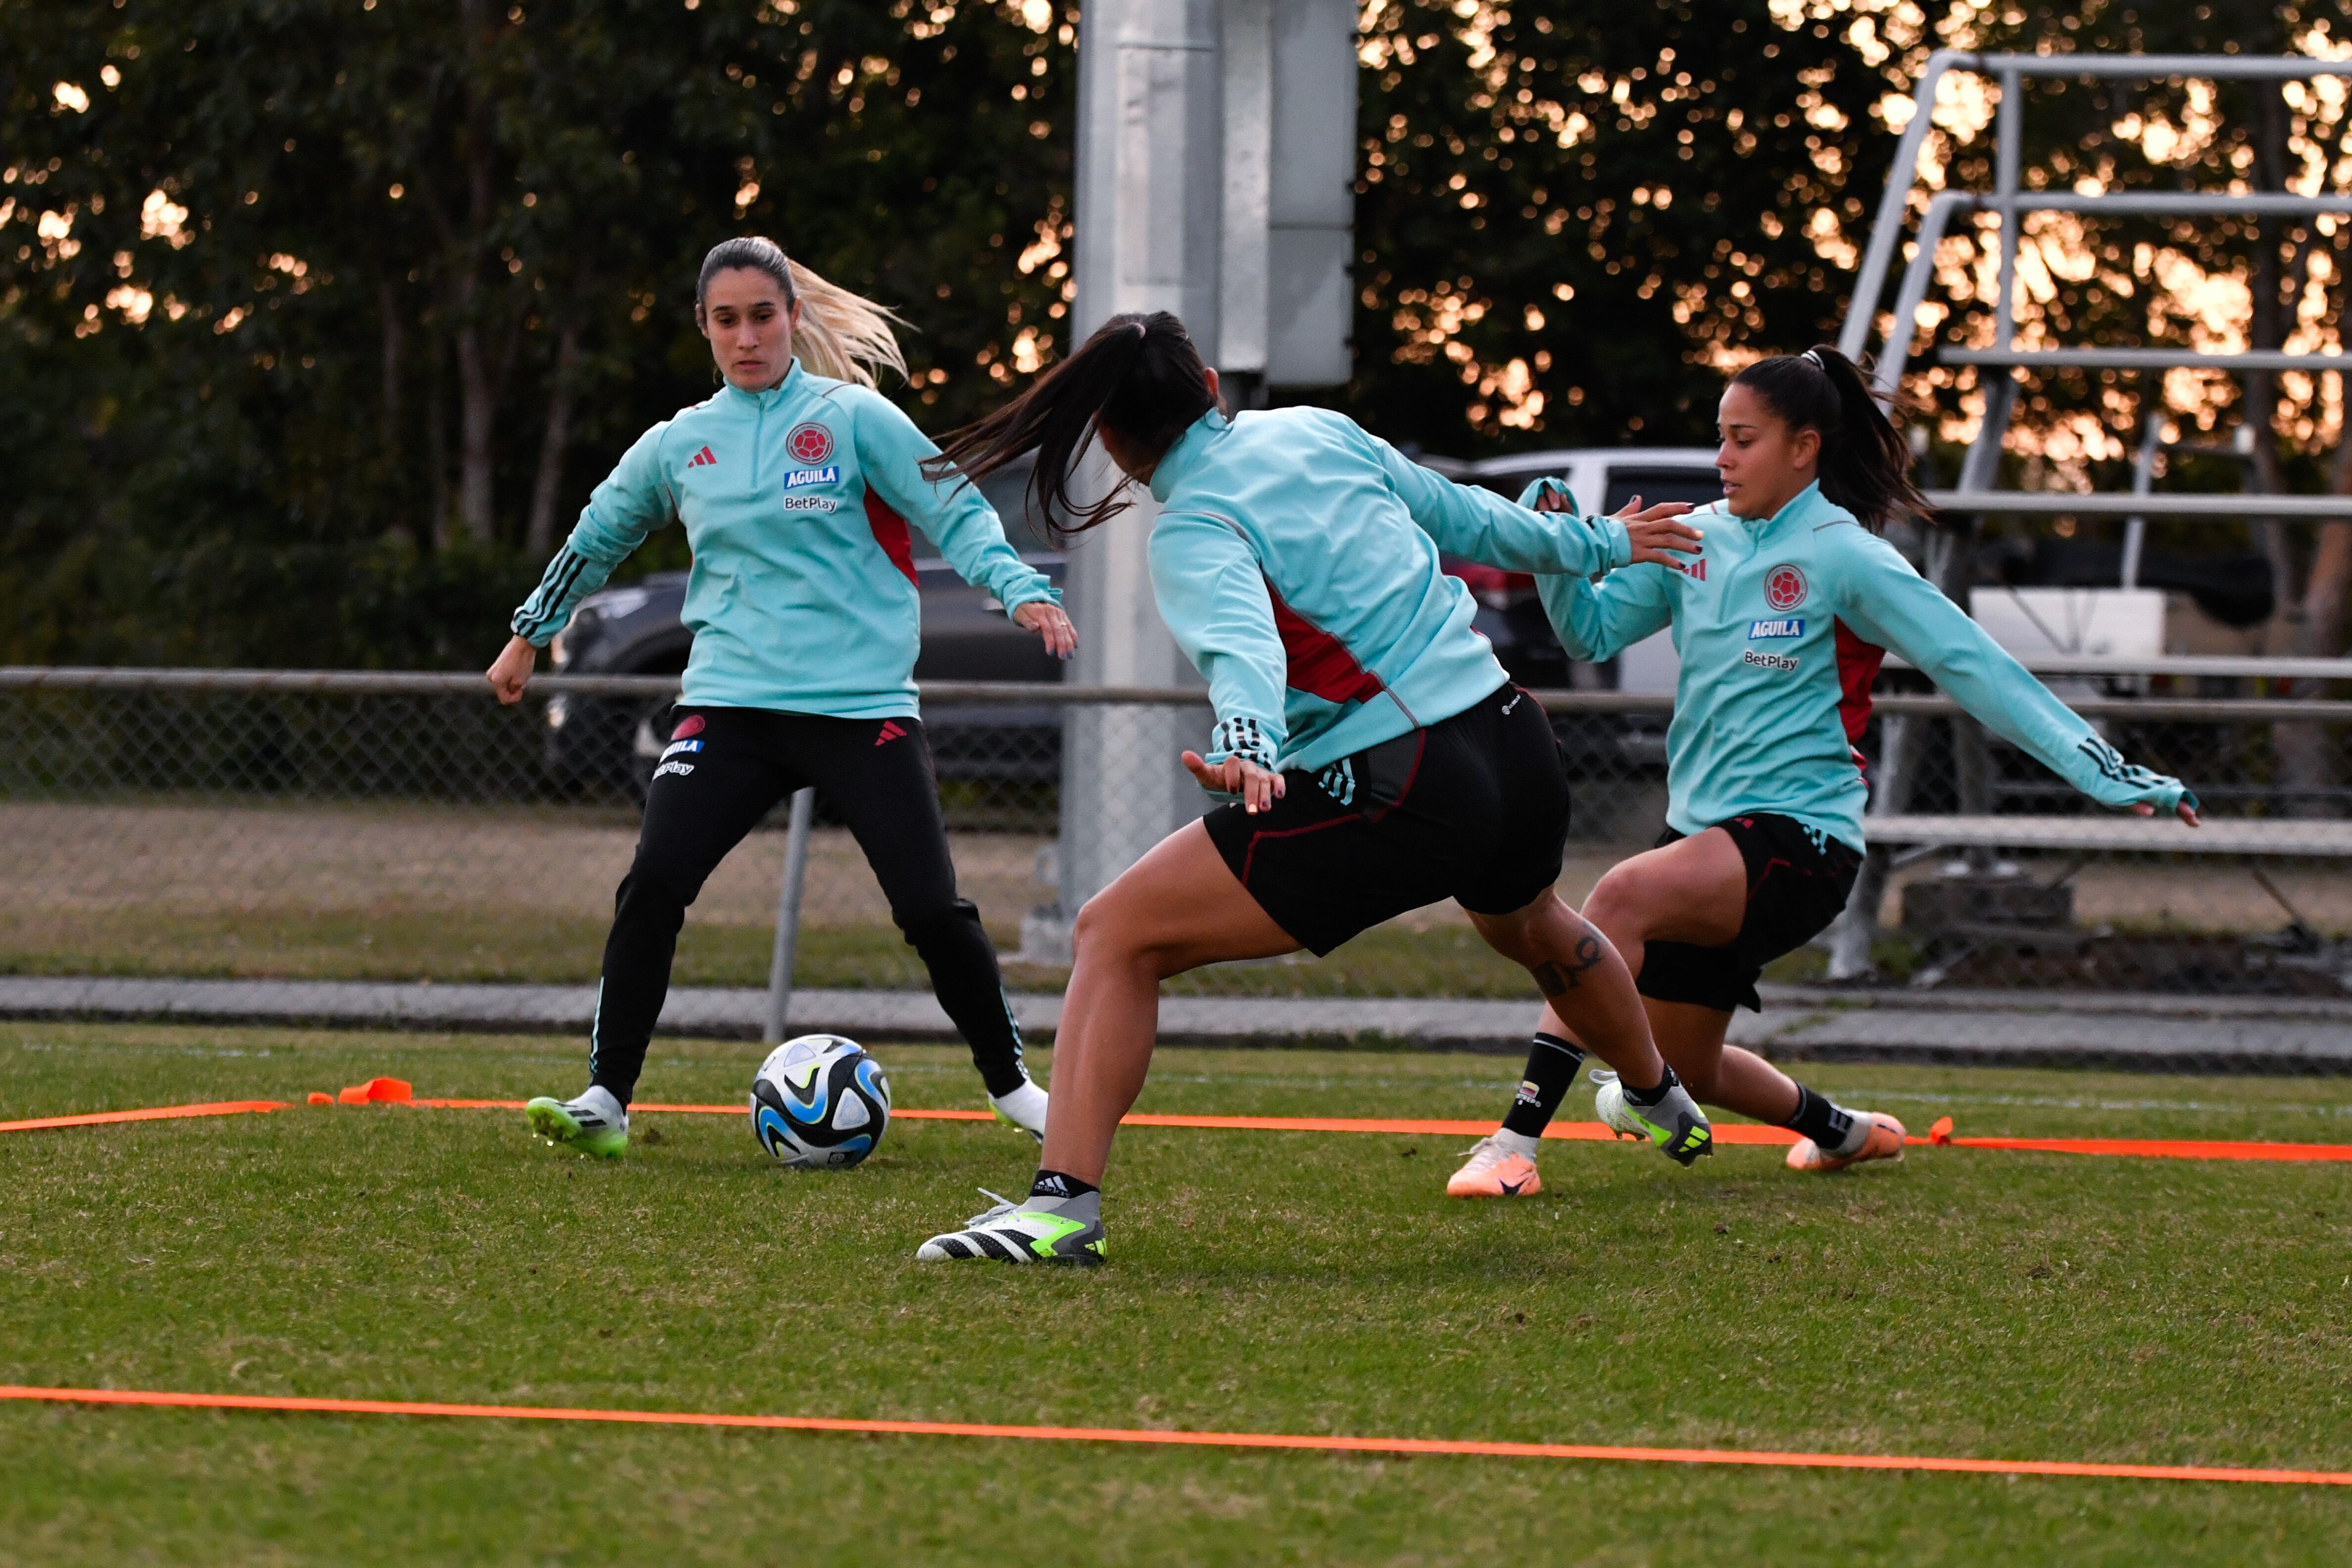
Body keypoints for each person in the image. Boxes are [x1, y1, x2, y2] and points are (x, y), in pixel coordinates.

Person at [909, 310, 1716, 1267]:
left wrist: (1247, 744)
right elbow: (1468, 515)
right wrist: (1600, 546)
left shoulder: (1196, 524)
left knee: (1114, 934)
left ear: (1115, 445)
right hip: (1516, 741)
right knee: (1533, 924)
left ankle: (1057, 1210)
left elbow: (1243, 648)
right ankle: (1657, 1091)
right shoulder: (1315, 429)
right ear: (1210, 384)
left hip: (1413, 780)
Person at [1445, 344, 2200, 1199]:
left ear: (1804, 448)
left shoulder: (1848, 556)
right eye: (1721, 440)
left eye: (1744, 439)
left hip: (1802, 841)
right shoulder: (1697, 542)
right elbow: (1588, 636)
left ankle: (1514, 1144)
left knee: (1615, 899)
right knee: (1684, 1063)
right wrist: (1558, 551)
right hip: (1703, 837)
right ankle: (1845, 1133)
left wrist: (2107, 772)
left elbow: (1976, 667)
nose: (1723, 459)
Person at [486, 236, 1078, 1158]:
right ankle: (606, 1098)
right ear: (705, 329)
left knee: (931, 911)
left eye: (763, 316)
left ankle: (1014, 1088)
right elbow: (597, 532)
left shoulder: (854, 420)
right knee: (653, 886)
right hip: (730, 710)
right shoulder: (681, 443)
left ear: (794, 319)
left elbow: (955, 509)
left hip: (860, 710)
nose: (747, 336)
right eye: (727, 320)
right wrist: (530, 632)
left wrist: (1020, 588)